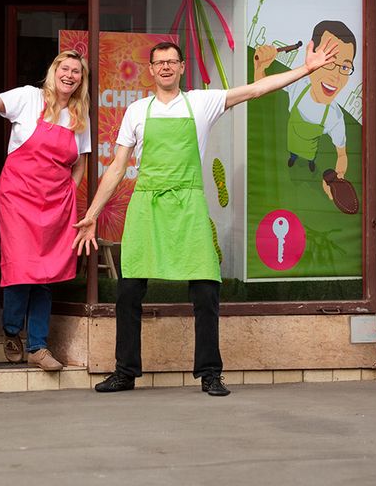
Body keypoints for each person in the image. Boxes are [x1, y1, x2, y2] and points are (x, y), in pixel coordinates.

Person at [74, 39, 339, 395]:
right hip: (147, 207)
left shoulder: (202, 102)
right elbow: (118, 167)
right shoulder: (137, 111)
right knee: (129, 291)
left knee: (205, 290)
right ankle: (125, 371)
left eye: (172, 61)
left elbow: (257, 89)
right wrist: (92, 213)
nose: (166, 67)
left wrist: (306, 70)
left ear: (182, 67)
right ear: (150, 70)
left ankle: (211, 373)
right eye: (159, 62)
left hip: (188, 206)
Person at [0, 49, 92, 371]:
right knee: (21, 267)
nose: (69, 75)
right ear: (53, 71)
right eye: (64, 68)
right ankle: (12, 331)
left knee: (46, 272)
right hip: (18, 197)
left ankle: (38, 346)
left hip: (56, 203)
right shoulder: (28, 98)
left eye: (76, 72)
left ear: (81, 79)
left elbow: (80, 163)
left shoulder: (80, 117)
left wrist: (70, 194)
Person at [254, 20, 356, 203]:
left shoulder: (334, 116)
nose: (336, 76)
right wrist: (260, 67)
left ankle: (309, 163)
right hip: (293, 143)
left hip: (310, 150)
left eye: (345, 67)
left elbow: (342, 154)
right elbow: (260, 89)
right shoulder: (298, 85)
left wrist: (338, 179)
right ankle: (293, 158)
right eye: (328, 61)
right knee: (293, 155)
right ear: (311, 57)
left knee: (309, 160)